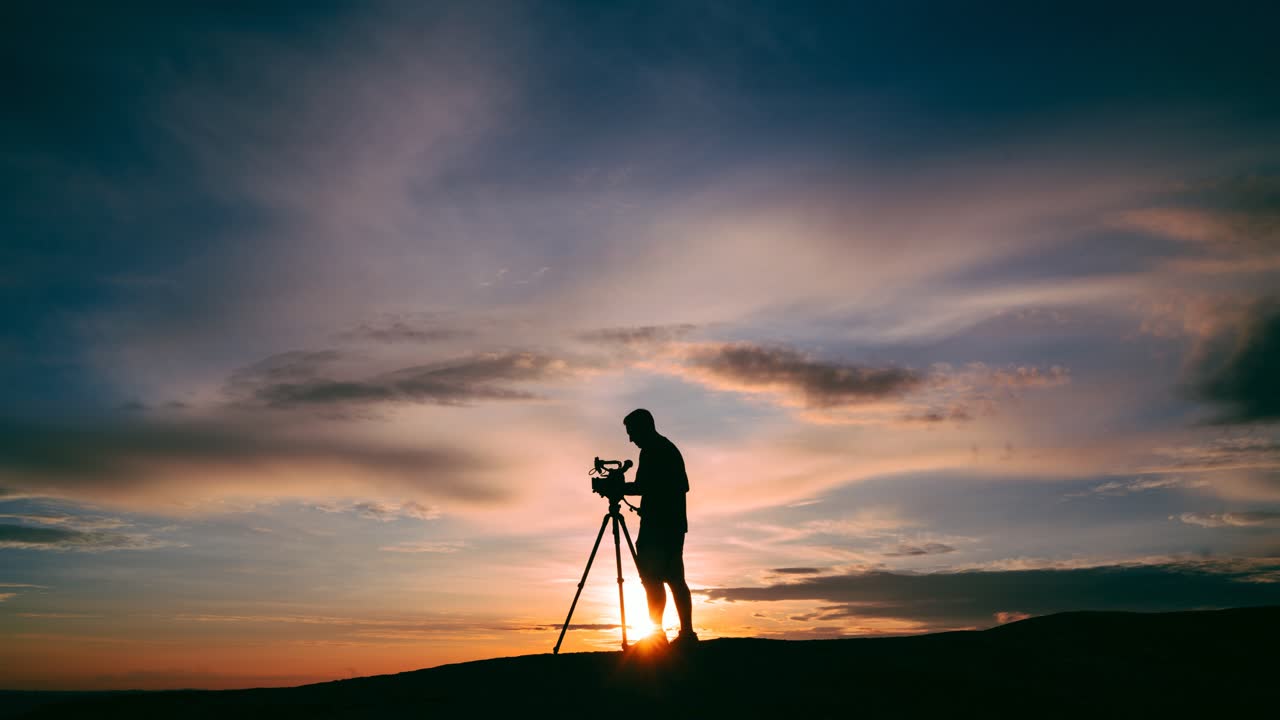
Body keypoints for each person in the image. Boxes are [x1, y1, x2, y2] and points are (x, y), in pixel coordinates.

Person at [621, 408, 697, 648]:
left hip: (661, 526)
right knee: (666, 579)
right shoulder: (660, 449)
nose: (630, 439)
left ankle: (674, 635)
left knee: (662, 579)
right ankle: (671, 634)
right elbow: (650, 486)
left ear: (644, 427)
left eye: (632, 432)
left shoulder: (658, 450)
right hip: (667, 524)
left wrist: (620, 488)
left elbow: (677, 486)